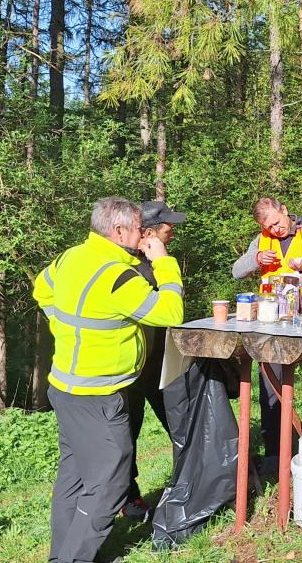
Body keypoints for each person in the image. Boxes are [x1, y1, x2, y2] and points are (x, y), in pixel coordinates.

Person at [32, 196, 184, 563]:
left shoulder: (71, 257)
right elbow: (171, 313)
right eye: (138, 230)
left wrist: (64, 324)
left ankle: (61, 555)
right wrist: (164, 263)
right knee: (112, 481)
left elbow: (41, 288)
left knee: (75, 475)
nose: (143, 235)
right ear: (118, 231)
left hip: (65, 388)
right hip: (98, 393)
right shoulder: (118, 277)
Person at [231, 196, 302, 470]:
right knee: (270, 386)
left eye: (277, 223)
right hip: (273, 322)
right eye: (269, 227)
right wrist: (256, 259)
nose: (275, 230)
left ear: (285, 211)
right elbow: (236, 271)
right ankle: (274, 452)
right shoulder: (262, 240)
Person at [119, 199, 188, 522]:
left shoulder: (156, 260)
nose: (172, 229)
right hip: (131, 368)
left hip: (161, 363)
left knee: (179, 422)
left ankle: (192, 480)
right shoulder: (127, 268)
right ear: (147, 232)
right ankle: (129, 498)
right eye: (167, 226)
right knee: (126, 434)